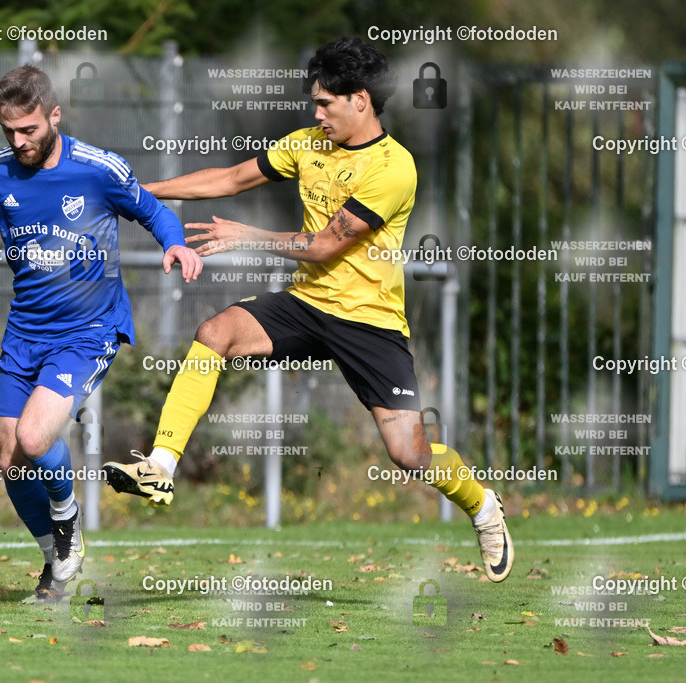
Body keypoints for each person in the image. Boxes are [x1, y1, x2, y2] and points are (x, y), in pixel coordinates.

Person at [103, 36, 513, 582]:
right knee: (215, 332)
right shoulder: (305, 144)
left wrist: (247, 235)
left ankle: (484, 508)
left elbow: (323, 245)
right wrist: (136, 192)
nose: (315, 114)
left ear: (361, 100)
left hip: (370, 324)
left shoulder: (394, 169)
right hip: (306, 304)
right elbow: (230, 179)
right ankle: (160, 466)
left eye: (325, 103)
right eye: (314, 103)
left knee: (409, 454)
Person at [0, 65, 202, 600]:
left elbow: (152, 211)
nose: (19, 141)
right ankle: (58, 559)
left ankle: (68, 519)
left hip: (88, 330)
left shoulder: (98, 169)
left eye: (29, 129)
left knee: (35, 439)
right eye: (9, 130)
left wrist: (174, 242)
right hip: (24, 332)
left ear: (54, 116)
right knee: (10, 457)